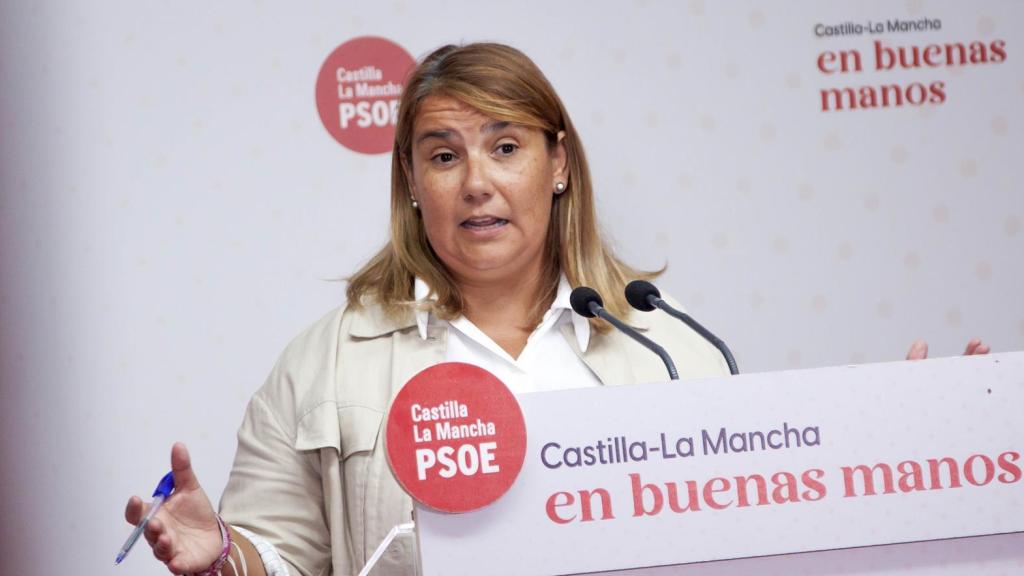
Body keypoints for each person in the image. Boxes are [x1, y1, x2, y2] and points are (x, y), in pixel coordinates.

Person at [123, 42, 989, 576]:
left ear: (559, 164)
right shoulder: (325, 362)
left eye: (506, 147)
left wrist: (892, 447)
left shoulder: (666, 344)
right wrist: (221, 555)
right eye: (443, 156)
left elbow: (757, 529)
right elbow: (275, 558)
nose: (477, 183)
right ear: (412, 182)